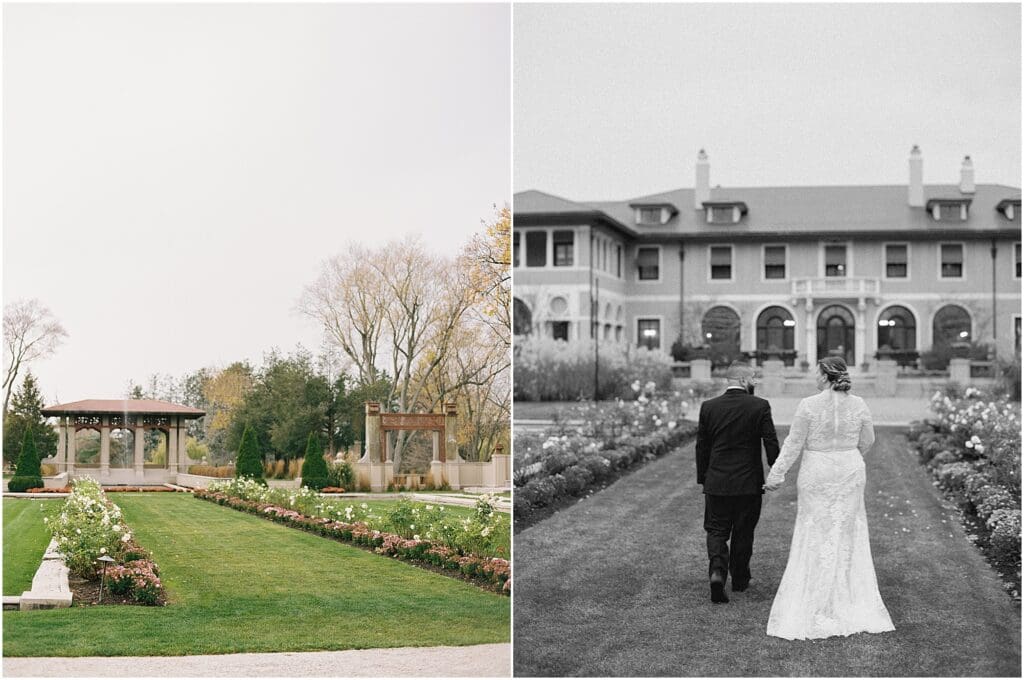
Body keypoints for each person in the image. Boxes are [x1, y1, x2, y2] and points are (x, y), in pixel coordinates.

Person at [763, 356, 895, 639]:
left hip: (818, 471)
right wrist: (850, 456)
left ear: (824, 376)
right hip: (849, 470)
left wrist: (776, 474)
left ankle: (815, 598)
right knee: (848, 532)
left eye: (816, 372)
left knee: (815, 530)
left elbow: (793, 443)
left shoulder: (808, 405)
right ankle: (848, 597)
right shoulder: (859, 404)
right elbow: (868, 440)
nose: (814, 376)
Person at [695, 361, 780, 603]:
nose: (755, 382)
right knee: (744, 531)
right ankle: (740, 579)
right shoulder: (760, 406)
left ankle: (717, 573)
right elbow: (770, 441)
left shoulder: (709, 407)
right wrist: (775, 468)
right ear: (743, 380)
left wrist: (704, 477)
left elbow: (702, 447)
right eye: (753, 378)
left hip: (717, 481)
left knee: (717, 530)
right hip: (748, 482)